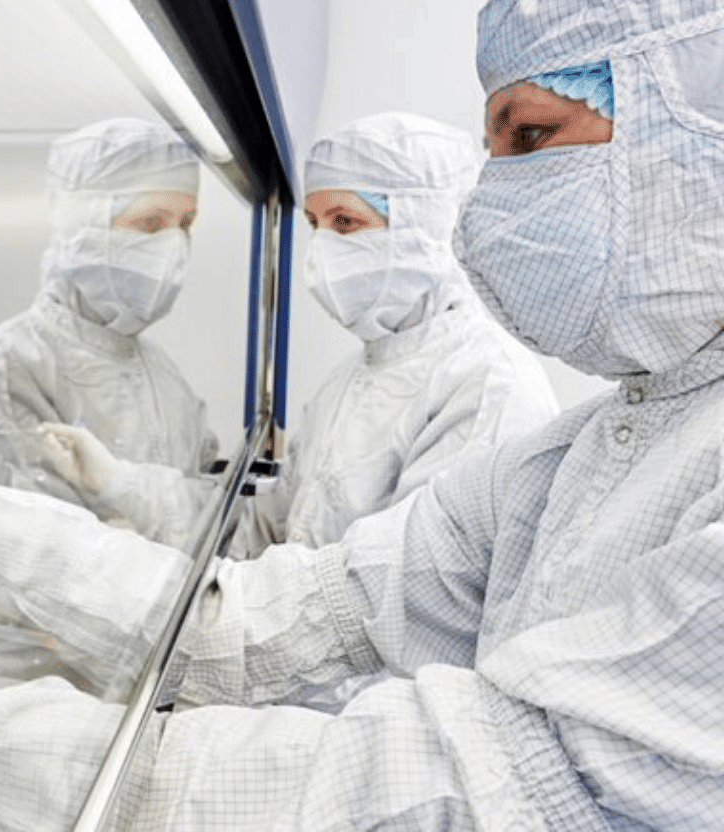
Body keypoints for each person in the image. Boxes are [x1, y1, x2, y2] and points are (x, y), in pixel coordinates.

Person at [0, 0, 724, 830]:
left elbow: (456, 792)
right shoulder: (594, 446)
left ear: (696, 123)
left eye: (531, 136)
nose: (491, 206)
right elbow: (286, 609)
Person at [42, 113, 560, 556]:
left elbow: (396, 597)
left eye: (347, 222)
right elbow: (262, 529)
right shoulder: (353, 382)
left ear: (430, 226)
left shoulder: (486, 388)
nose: (325, 248)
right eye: (316, 223)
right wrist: (119, 483)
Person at [0, 118, 219, 522]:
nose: (173, 247)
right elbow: (28, 548)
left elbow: (205, 504)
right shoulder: (9, 370)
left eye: (185, 225)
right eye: (151, 222)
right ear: (81, 227)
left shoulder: (161, 372)